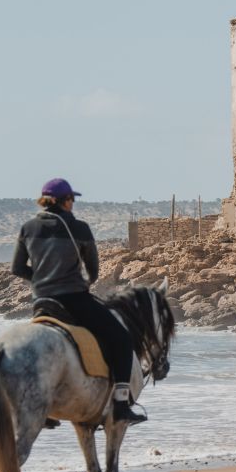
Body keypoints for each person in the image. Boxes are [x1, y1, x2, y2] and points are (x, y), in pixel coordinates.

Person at [12, 178, 147, 425]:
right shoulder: (79, 228)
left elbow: (18, 268)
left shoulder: (28, 228)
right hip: (74, 300)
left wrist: (40, 281)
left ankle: (37, 405)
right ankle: (120, 403)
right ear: (65, 201)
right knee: (120, 338)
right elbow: (93, 270)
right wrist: (83, 284)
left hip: (41, 301)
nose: (72, 204)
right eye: (71, 199)